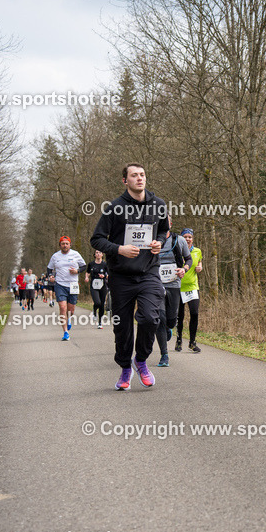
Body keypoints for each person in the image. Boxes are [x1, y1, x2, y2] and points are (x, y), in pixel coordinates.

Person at [90, 163, 170, 390]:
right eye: (134, 175)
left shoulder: (159, 205)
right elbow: (96, 239)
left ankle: (141, 360)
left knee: (149, 318)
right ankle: (125, 368)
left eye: (142, 175)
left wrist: (160, 242)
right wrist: (119, 249)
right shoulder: (114, 208)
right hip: (121, 275)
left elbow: (164, 230)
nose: (139, 178)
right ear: (125, 181)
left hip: (149, 273)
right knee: (122, 327)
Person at [155, 218, 191, 366]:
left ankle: (169, 328)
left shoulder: (179, 240)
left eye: (166, 221)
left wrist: (184, 269)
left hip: (174, 284)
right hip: (156, 284)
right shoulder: (151, 241)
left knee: (170, 319)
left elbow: (188, 259)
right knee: (159, 318)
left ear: (170, 224)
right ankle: (164, 355)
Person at [47, 236, 87, 341]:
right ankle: (65, 332)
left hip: (73, 284)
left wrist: (77, 271)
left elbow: (84, 266)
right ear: (60, 245)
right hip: (60, 284)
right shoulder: (55, 256)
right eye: (63, 243)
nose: (65, 245)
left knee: (71, 310)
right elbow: (49, 269)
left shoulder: (76, 254)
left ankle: (68, 319)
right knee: (63, 308)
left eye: (67, 243)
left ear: (70, 244)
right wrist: (50, 276)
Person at [175, 229, 202, 353]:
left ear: (193, 238)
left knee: (194, 313)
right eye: (185, 237)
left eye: (189, 237)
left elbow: (199, 263)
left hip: (192, 287)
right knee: (180, 316)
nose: (187, 239)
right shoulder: (177, 251)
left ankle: (192, 342)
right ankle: (179, 339)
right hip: (179, 287)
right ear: (181, 238)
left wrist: (200, 267)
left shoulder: (197, 251)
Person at [85, 250, 111, 329]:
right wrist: (86, 277)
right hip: (94, 285)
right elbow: (87, 272)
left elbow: (109, 275)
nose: (98, 254)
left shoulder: (105, 264)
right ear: (94, 254)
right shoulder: (91, 264)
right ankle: (94, 310)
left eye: (100, 252)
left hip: (103, 285)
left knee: (102, 303)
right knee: (97, 302)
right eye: (96, 253)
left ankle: (100, 322)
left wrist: (104, 276)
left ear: (102, 254)